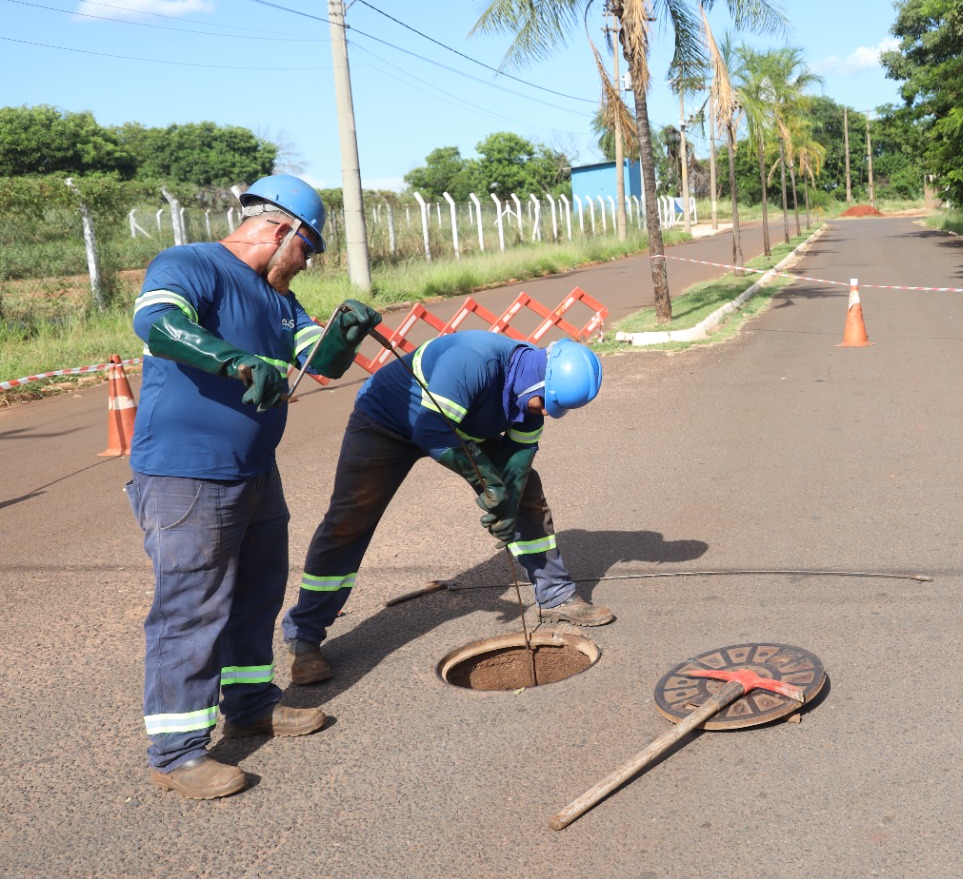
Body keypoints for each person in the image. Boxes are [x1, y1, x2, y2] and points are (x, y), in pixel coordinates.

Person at [127, 175, 383, 801]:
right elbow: (156, 324)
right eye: (309, 248)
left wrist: (342, 335)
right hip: (188, 472)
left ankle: (249, 704)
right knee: (191, 609)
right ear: (281, 230)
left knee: (258, 593)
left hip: (254, 472)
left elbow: (315, 362)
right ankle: (178, 753)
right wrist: (234, 360)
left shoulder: (281, 300)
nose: (308, 262)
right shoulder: (191, 264)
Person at [280, 330, 608, 687]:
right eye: (545, 402)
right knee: (349, 520)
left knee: (527, 494)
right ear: (537, 383)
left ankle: (556, 596)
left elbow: (517, 463)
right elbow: (431, 431)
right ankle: (304, 636)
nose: (546, 411)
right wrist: (489, 483)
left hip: (461, 424)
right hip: (386, 422)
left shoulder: (532, 388)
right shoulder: (472, 361)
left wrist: (507, 503)